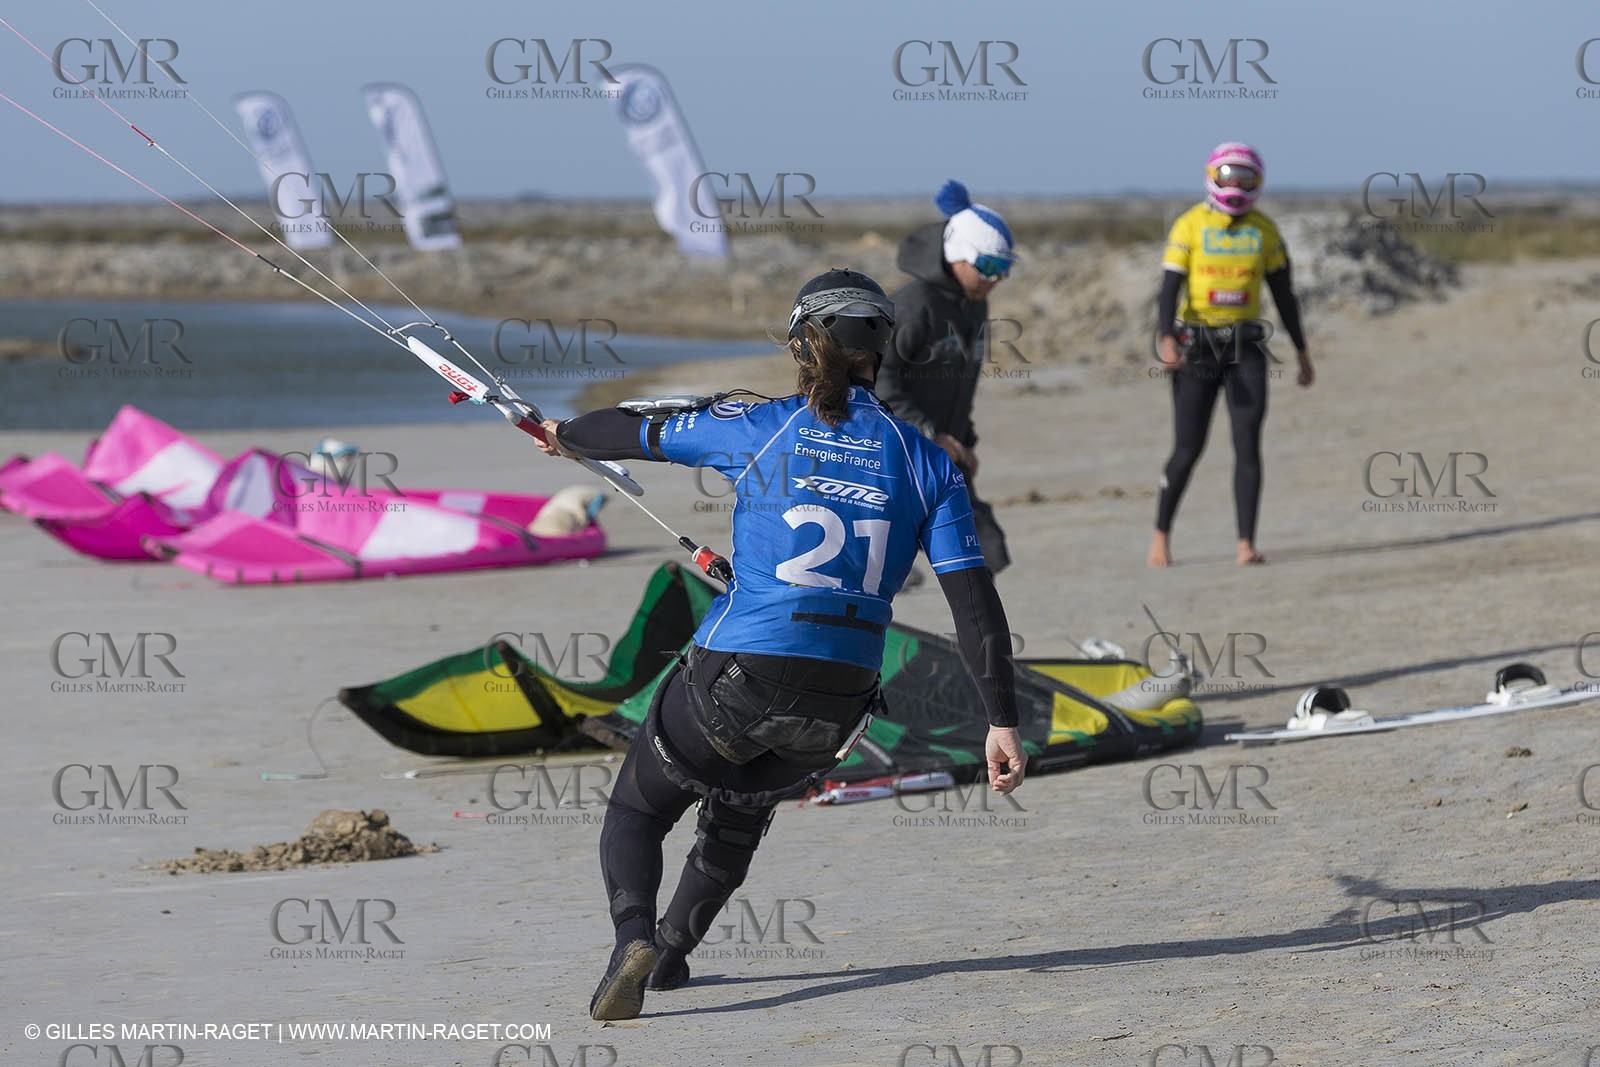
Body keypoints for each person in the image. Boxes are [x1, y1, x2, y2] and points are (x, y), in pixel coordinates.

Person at [535, 268, 1027, 1021]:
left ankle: (633, 935)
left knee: (638, 807)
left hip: (739, 672)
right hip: (841, 700)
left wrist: (563, 437)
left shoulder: (762, 425)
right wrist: (1002, 718)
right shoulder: (930, 463)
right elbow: (975, 603)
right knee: (740, 812)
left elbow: (632, 430)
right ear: (882, 350)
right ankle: (669, 954)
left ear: (805, 343)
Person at [1148, 142, 1315, 568]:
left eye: (1246, 178)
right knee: (1188, 446)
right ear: (1212, 176)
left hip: (1247, 350)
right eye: (1228, 175)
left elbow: (1284, 294)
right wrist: (1166, 338)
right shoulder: (1189, 225)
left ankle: (1246, 543)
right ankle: (1161, 536)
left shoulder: (1265, 231)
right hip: (1196, 351)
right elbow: (1169, 289)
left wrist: (1301, 351)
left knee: (1248, 445)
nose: (1236, 184)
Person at [876, 180, 1016, 575]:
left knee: (986, 552)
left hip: (947, 451)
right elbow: (878, 380)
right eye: (989, 266)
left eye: (1004, 267)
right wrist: (927, 432)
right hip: (900, 450)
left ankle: (976, 632)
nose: (996, 278)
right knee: (886, 567)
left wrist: (964, 441)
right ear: (958, 257)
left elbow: (963, 383)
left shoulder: (975, 305)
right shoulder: (912, 306)